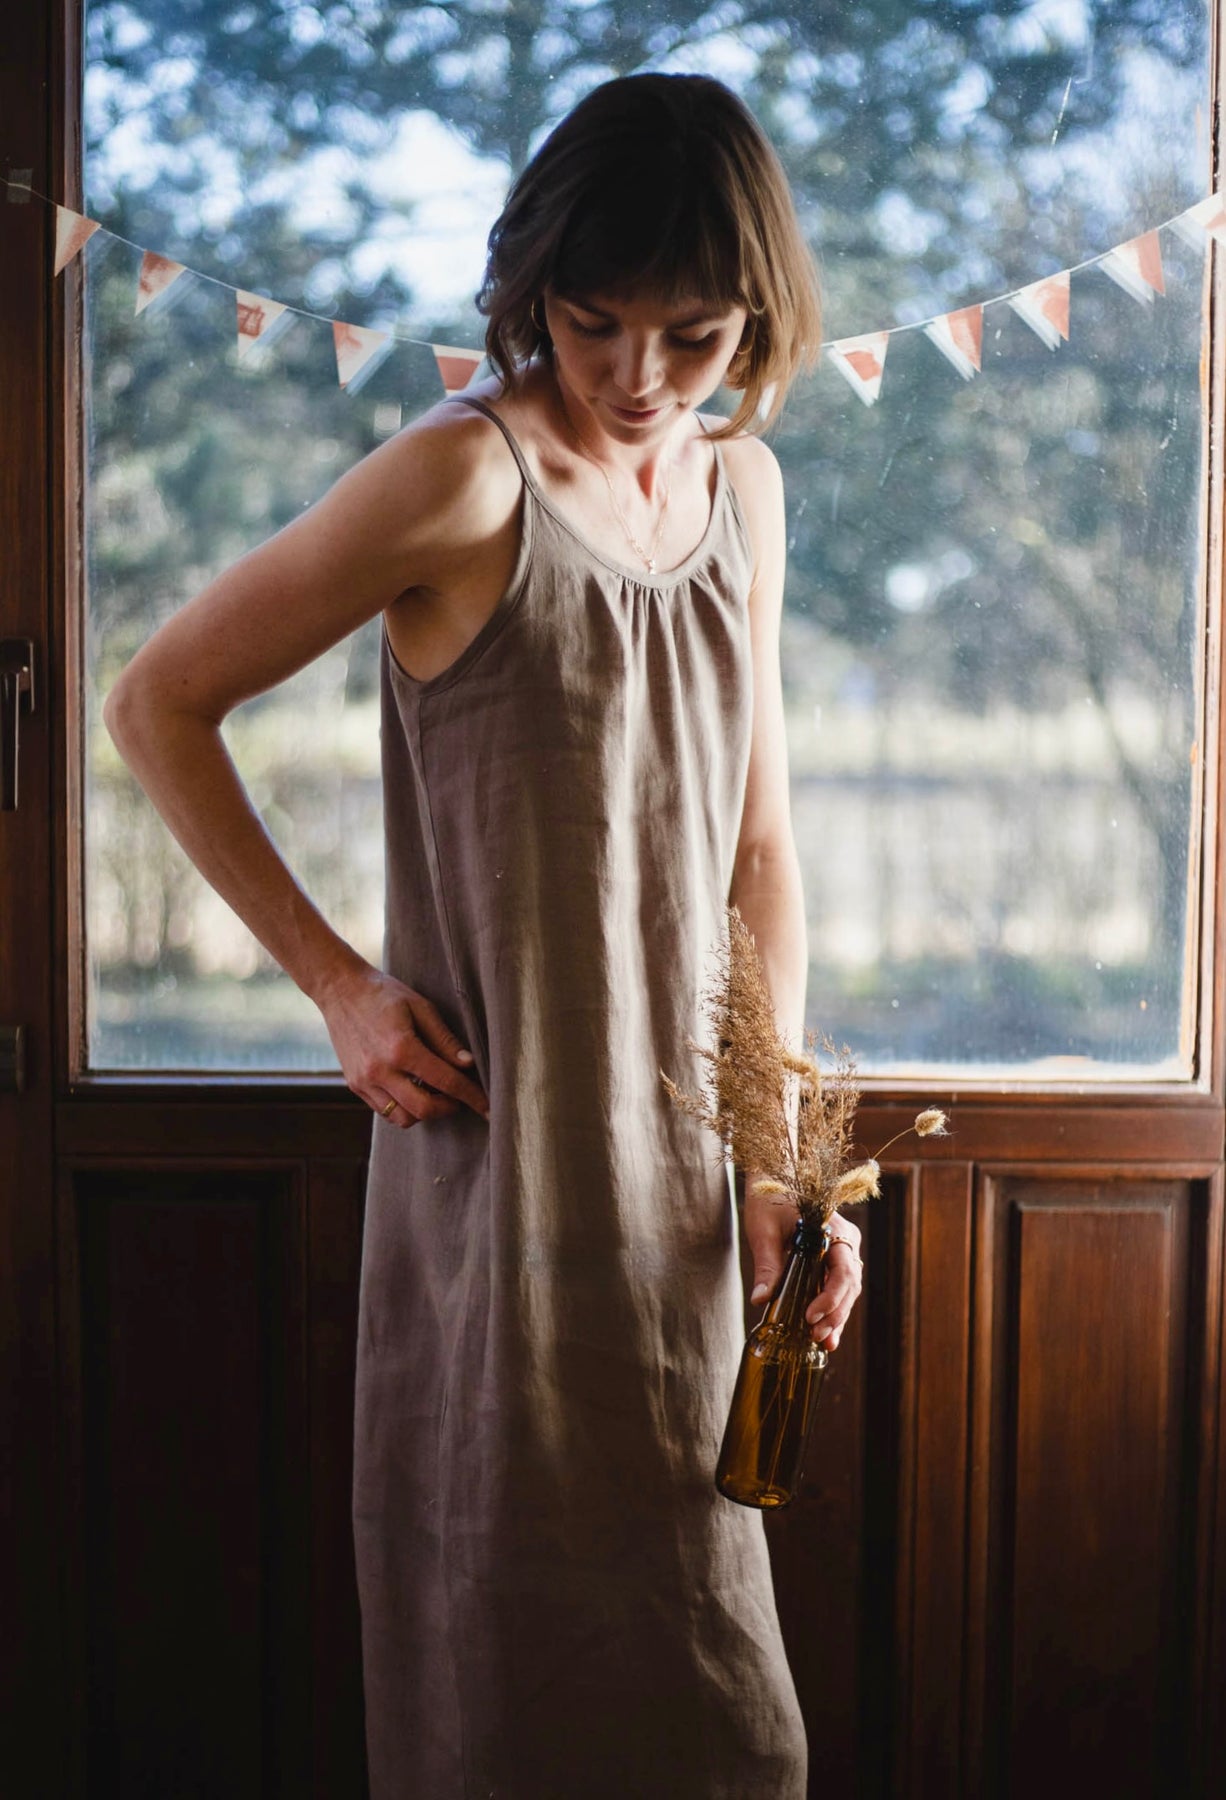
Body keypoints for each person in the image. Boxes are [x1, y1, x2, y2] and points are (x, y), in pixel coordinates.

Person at [105, 70, 864, 1799]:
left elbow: (760, 852)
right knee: (504, 1694)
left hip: (686, 1201)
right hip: (500, 1186)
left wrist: (775, 1163)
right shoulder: (460, 476)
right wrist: (338, 989)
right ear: (533, 291)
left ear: (755, 317)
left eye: (692, 336)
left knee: (730, 1726)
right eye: (592, 325)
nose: (637, 377)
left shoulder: (742, 493)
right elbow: (154, 705)